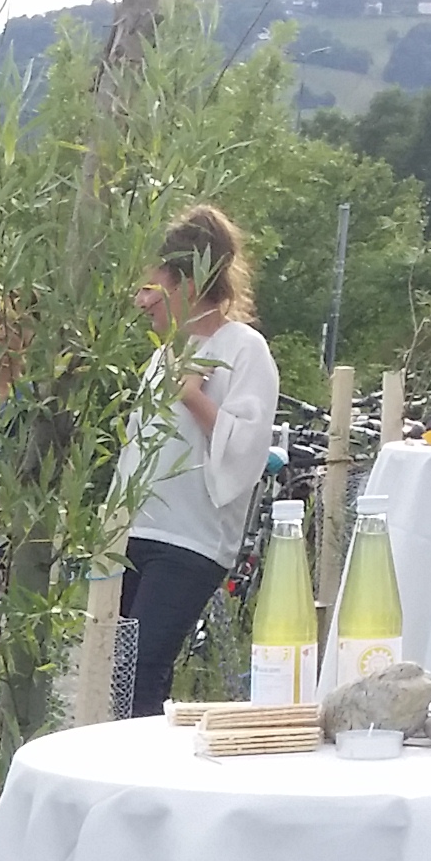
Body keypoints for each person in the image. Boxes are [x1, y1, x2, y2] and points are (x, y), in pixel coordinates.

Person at [119, 203, 277, 718]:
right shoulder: (163, 352)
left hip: (190, 541)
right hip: (136, 533)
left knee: (144, 666)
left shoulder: (244, 348)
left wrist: (193, 397)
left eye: (151, 287)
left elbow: (247, 450)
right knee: (116, 666)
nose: (142, 302)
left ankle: (142, 784)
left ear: (187, 284)